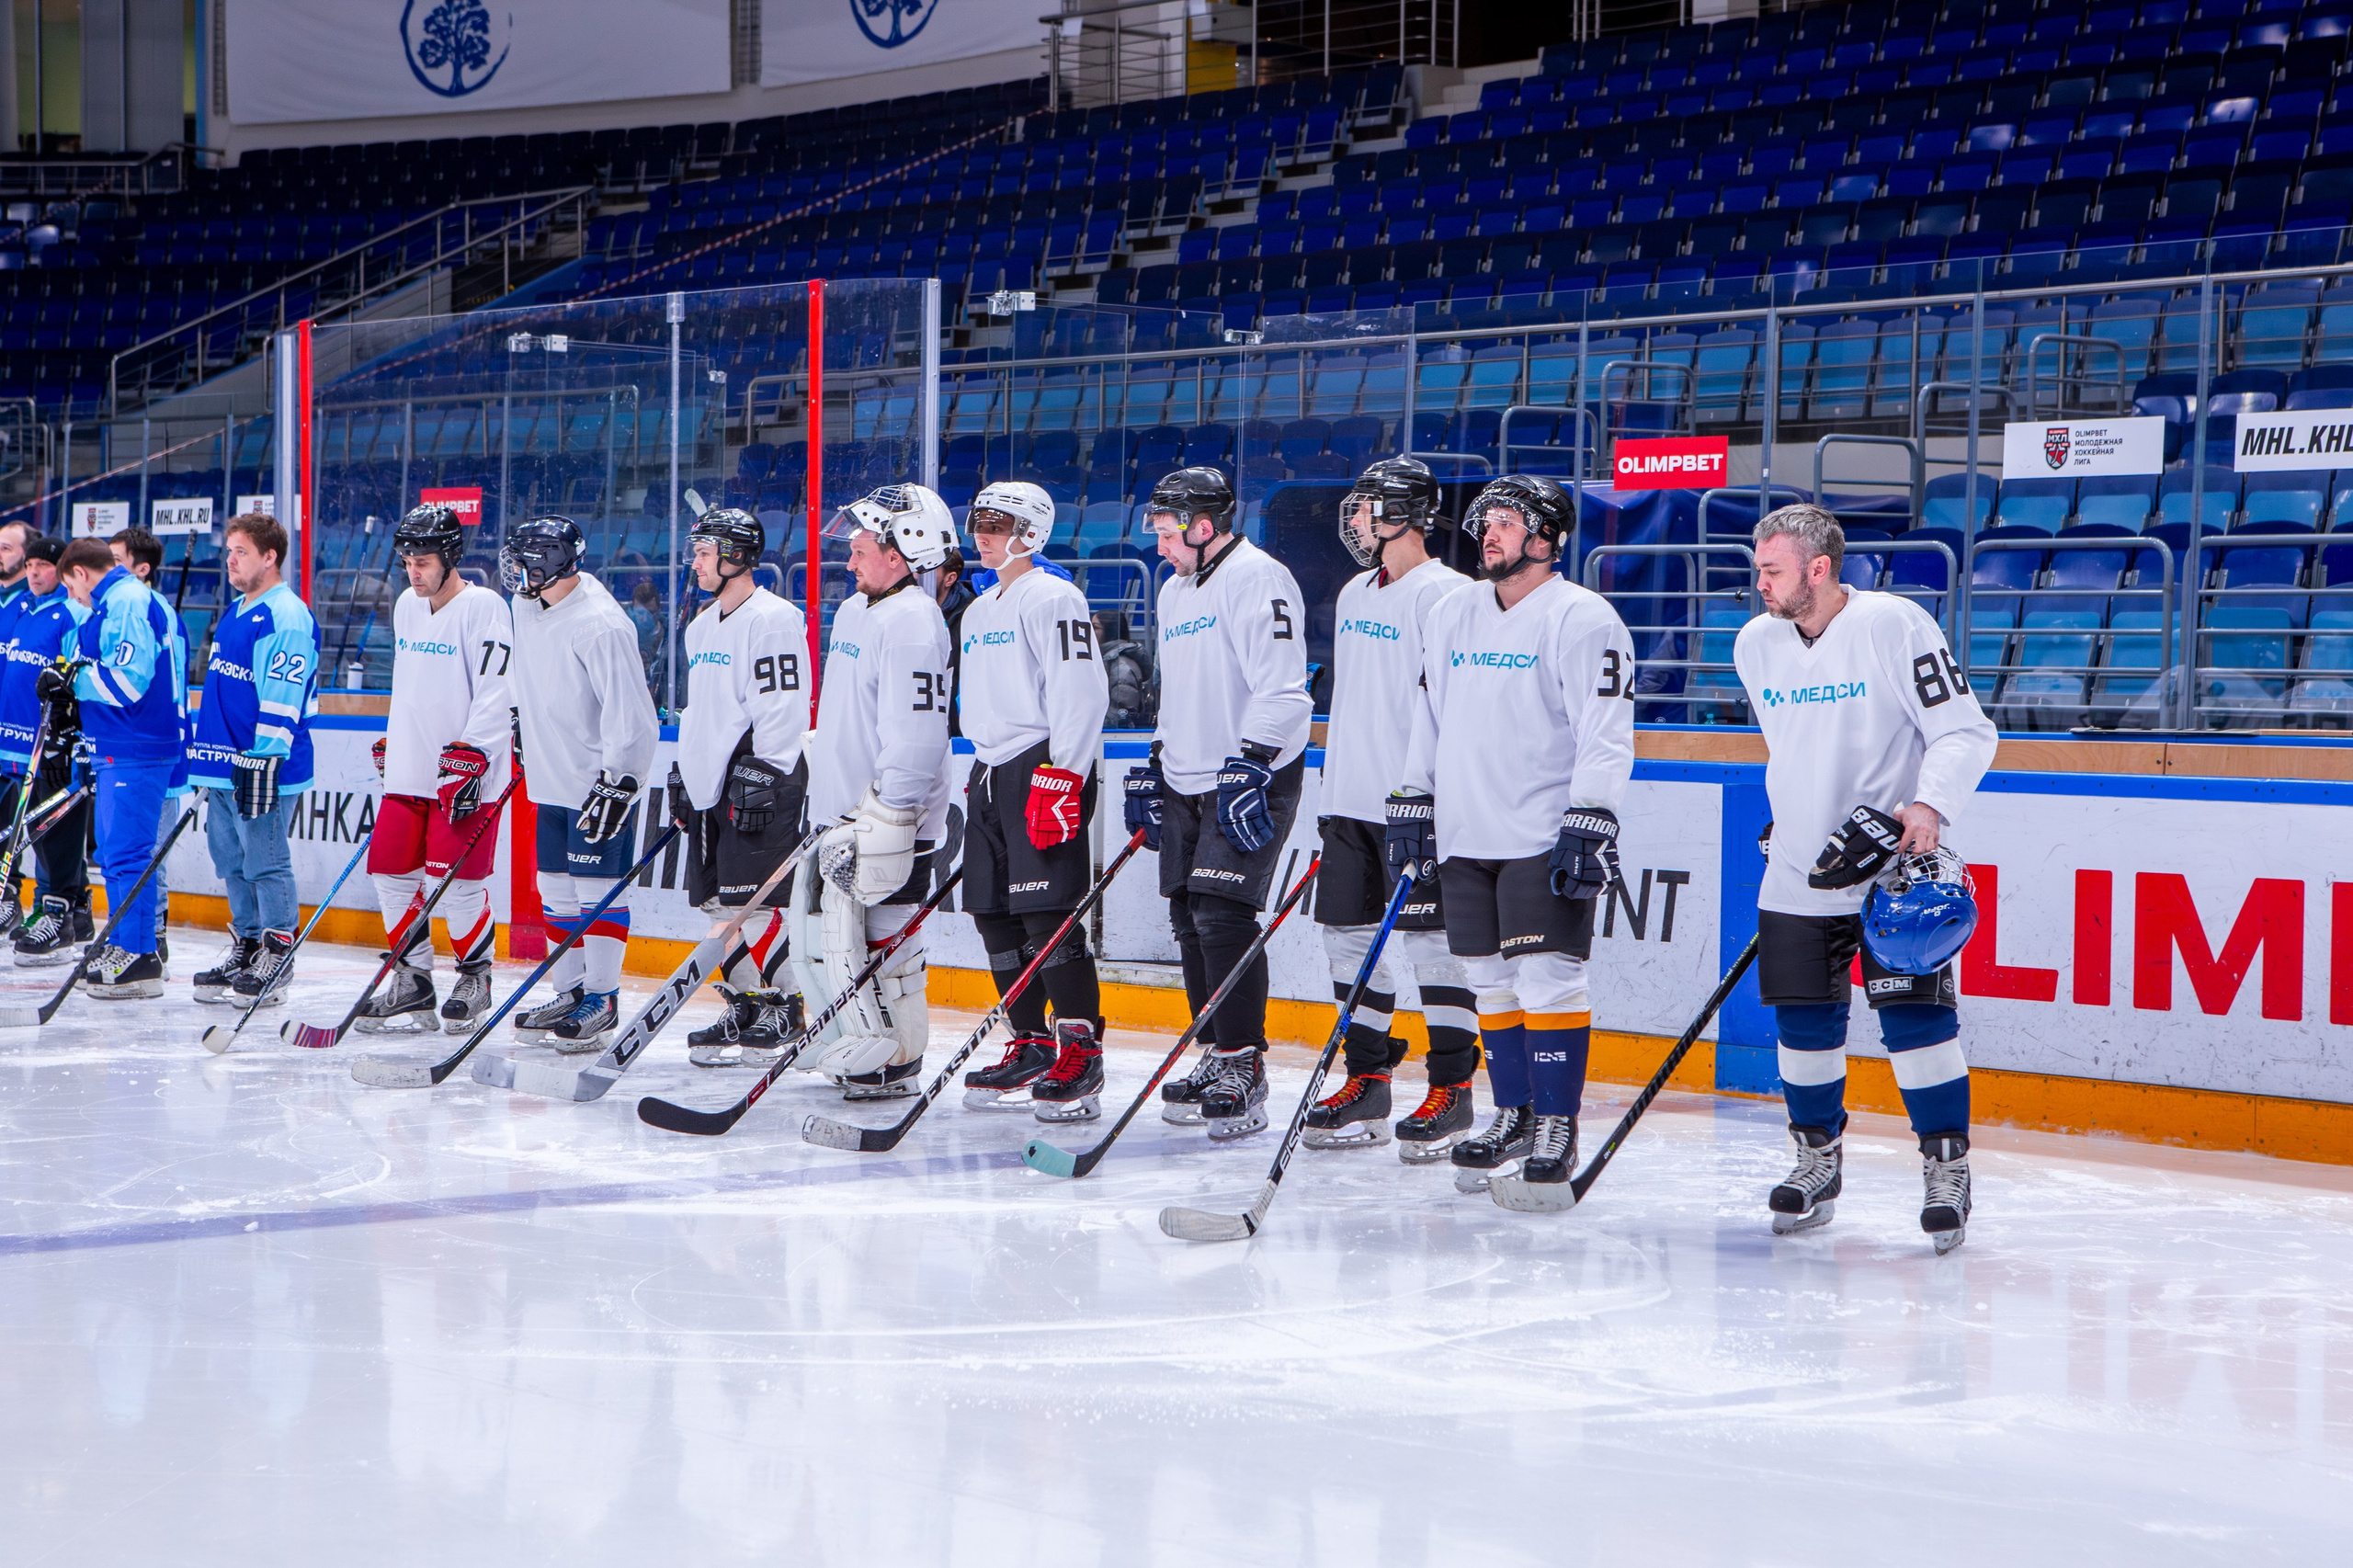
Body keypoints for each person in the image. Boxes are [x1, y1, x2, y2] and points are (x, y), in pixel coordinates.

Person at [1733, 503, 1997, 1253]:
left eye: (1772, 569)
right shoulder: (1755, 645)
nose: (1760, 583)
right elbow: (1793, 748)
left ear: (1819, 569)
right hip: (1797, 873)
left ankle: (1947, 1169)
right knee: (1804, 1027)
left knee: (1916, 1027)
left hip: (1893, 877)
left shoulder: (1892, 625)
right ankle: (1816, 1161)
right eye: (1758, 568)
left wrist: (1928, 806)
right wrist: (1789, 817)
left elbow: (1965, 729)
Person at [1397, 472, 1636, 1202]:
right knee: (1489, 982)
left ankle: (1557, 1123)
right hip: (1467, 832)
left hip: (1542, 833)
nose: (1489, 533)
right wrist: (1413, 798)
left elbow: (1606, 733)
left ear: (1545, 538)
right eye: (1486, 521)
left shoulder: (1584, 618)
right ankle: (1516, 1113)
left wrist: (1591, 814)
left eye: (1506, 521)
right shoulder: (1453, 612)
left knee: (1549, 980)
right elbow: (1428, 719)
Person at [1123, 466, 1313, 1141]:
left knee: (1221, 915)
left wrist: (1252, 761)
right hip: (1186, 772)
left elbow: (1287, 691)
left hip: (1248, 774)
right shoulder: (1177, 590)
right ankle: (1215, 1047)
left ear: (1205, 527)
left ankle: (1244, 1061)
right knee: (1186, 917)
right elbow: (1179, 691)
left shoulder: (1258, 578)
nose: (1159, 543)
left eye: (1168, 529)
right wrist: (1153, 760)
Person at [1302, 459, 1480, 1160]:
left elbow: (1452, 707)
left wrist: (1429, 794)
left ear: (1405, 512)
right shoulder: (1353, 593)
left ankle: (1452, 1091)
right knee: (1345, 937)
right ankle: (1368, 1079)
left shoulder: (1449, 596)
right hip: (1349, 800)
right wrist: (1330, 792)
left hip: (1419, 804)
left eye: (1367, 507)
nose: (1355, 520)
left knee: (1432, 942)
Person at [950, 482, 1112, 1120]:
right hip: (988, 770)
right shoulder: (981, 607)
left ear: (1031, 530)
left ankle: (1081, 1050)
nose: (983, 532)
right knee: (994, 916)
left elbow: (1082, 690)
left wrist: (1065, 775)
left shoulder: (1055, 596)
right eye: (979, 519)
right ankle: (1032, 1042)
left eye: (997, 522)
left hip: (1041, 765)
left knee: (1049, 918)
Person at [791, 483, 954, 1100]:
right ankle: (856, 1042)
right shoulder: (859, 610)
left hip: (889, 816)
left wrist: (891, 813)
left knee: (888, 941)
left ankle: (899, 1057)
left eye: (861, 549)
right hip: (842, 809)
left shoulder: (915, 619)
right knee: (836, 941)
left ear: (900, 551)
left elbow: (916, 731)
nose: (850, 559)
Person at [352, 504, 515, 1033]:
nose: (413, 572)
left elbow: (496, 692)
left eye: (422, 561)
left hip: (464, 777)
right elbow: (413, 686)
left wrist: (473, 754)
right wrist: (396, 742)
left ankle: (475, 976)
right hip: (410, 772)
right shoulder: (406, 605)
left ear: (450, 557)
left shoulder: (485, 606)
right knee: (390, 875)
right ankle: (413, 983)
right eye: (406, 562)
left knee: (459, 885)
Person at [501, 515, 658, 1051]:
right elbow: (524, 675)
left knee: (597, 893)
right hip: (550, 777)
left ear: (548, 564)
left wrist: (621, 780)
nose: (515, 570)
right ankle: (569, 991)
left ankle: (603, 997)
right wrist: (520, 720)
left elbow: (633, 715)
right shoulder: (526, 606)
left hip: (596, 782)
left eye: (524, 559)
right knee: (557, 890)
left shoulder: (601, 624)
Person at [665, 506, 812, 1067]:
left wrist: (766, 769)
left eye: (705, 553)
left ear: (737, 557)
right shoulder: (701, 625)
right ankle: (749, 1004)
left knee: (756, 903)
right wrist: (687, 770)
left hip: (758, 777)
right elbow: (703, 711)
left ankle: (787, 1006)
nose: (695, 562)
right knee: (716, 906)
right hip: (712, 784)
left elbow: (783, 703)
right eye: (697, 552)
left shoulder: (774, 618)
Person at [186, 514, 316, 1005]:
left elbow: (285, 694)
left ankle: (277, 950)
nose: (230, 561)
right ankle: (245, 944)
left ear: (270, 556)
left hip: (261, 766)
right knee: (231, 861)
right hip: (221, 764)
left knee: (265, 861)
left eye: (240, 551)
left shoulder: (286, 613)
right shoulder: (238, 609)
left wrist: (265, 756)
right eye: (228, 553)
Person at [58, 537, 186, 998]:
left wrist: (74, 680)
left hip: (137, 745)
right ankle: (127, 943)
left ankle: (140, 953)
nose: (72, 597)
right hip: (116, 745)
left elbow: (130, 682)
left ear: (79, 574)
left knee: (129, 854)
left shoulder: (127, 600)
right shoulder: (111, 602)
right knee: (115, 854)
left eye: (70, 587)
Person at [2, 534, 93, 960]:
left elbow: (73, 677)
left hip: (53, 743)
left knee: (55, 829)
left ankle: (59, 911)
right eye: (31, 565)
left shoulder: (71, 612)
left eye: (44, 566)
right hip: (20, 741)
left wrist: (64, 734)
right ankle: (65, 910)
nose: (35, 573)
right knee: (37, 830)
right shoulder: (25, 611)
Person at [110, 528, 189, 971]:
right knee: (133, 846)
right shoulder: (130, 606)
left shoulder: (148, 609)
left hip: (154, 747)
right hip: (136, 746)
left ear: (142, 569)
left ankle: (151, 935)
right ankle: (133, 934)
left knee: (147, 846)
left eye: (116, 560)